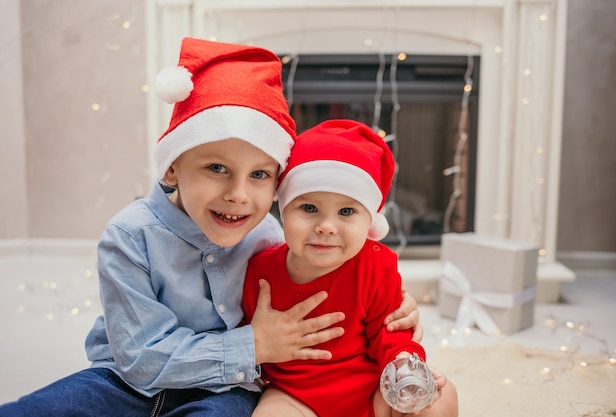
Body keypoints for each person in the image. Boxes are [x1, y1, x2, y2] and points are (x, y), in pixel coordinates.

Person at [0, 39, 421, 417]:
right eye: (216, 168)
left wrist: (397, 320)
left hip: (227, 391)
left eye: (259, 175)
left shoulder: (271, 239)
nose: (239, 194)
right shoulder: (130, 237)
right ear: (172, 166)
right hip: (121, 385)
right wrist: (254, 345)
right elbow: (140, 359)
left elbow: (344, 294)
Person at [242, 119, 459, 417]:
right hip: (294, 396)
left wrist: (405, 362)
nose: (326, 227)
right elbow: (244, 332)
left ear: (369, 220)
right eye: (308, 208)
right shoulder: (258, 268)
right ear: (283, 209)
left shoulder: (376, 265)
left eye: (346, 211)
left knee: (442, 398)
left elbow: (392, 332)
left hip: (371, 391)